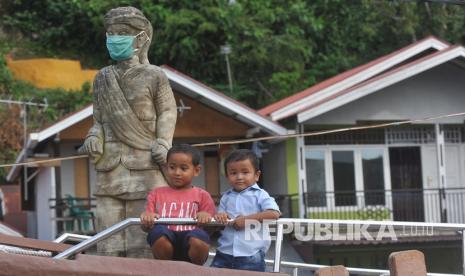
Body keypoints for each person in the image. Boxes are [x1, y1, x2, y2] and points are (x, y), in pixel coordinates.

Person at [81, 6, 177, 257]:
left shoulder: (155, 75)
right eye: (110, 33)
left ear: (142, 38)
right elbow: (99, 119)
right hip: (109, 169)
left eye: (122, 32)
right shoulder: (102, 77)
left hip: (146, 164)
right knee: (107, 241)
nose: (114, 39)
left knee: (142, 241)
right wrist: (94, 136)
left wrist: (164, 142)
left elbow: (168, 111)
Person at [140, 144, 216, 265]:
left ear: (196, 170)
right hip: (165, 245)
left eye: (183, 168)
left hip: (192, 244)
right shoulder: (156, 194)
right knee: (158, 232)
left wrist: (205, 217)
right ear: (166, 168)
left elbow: (211, 229)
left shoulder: (203, 195)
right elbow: (145, 228)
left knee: (198, 237)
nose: (177, 172)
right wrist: (146, 219)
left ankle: (195, 271)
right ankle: (167, 270)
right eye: (172, 167)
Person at [211, 149, 280, 272]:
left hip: (251, 255)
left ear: (257, 175)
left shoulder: (260, 195)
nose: (239, 177)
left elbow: (274, 213)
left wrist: (246, 220)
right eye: (233, 173)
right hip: (224, 253)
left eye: (245, 172)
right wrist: (220, 217)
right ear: (227, 176)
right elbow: (220, 217)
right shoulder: (226, 197)